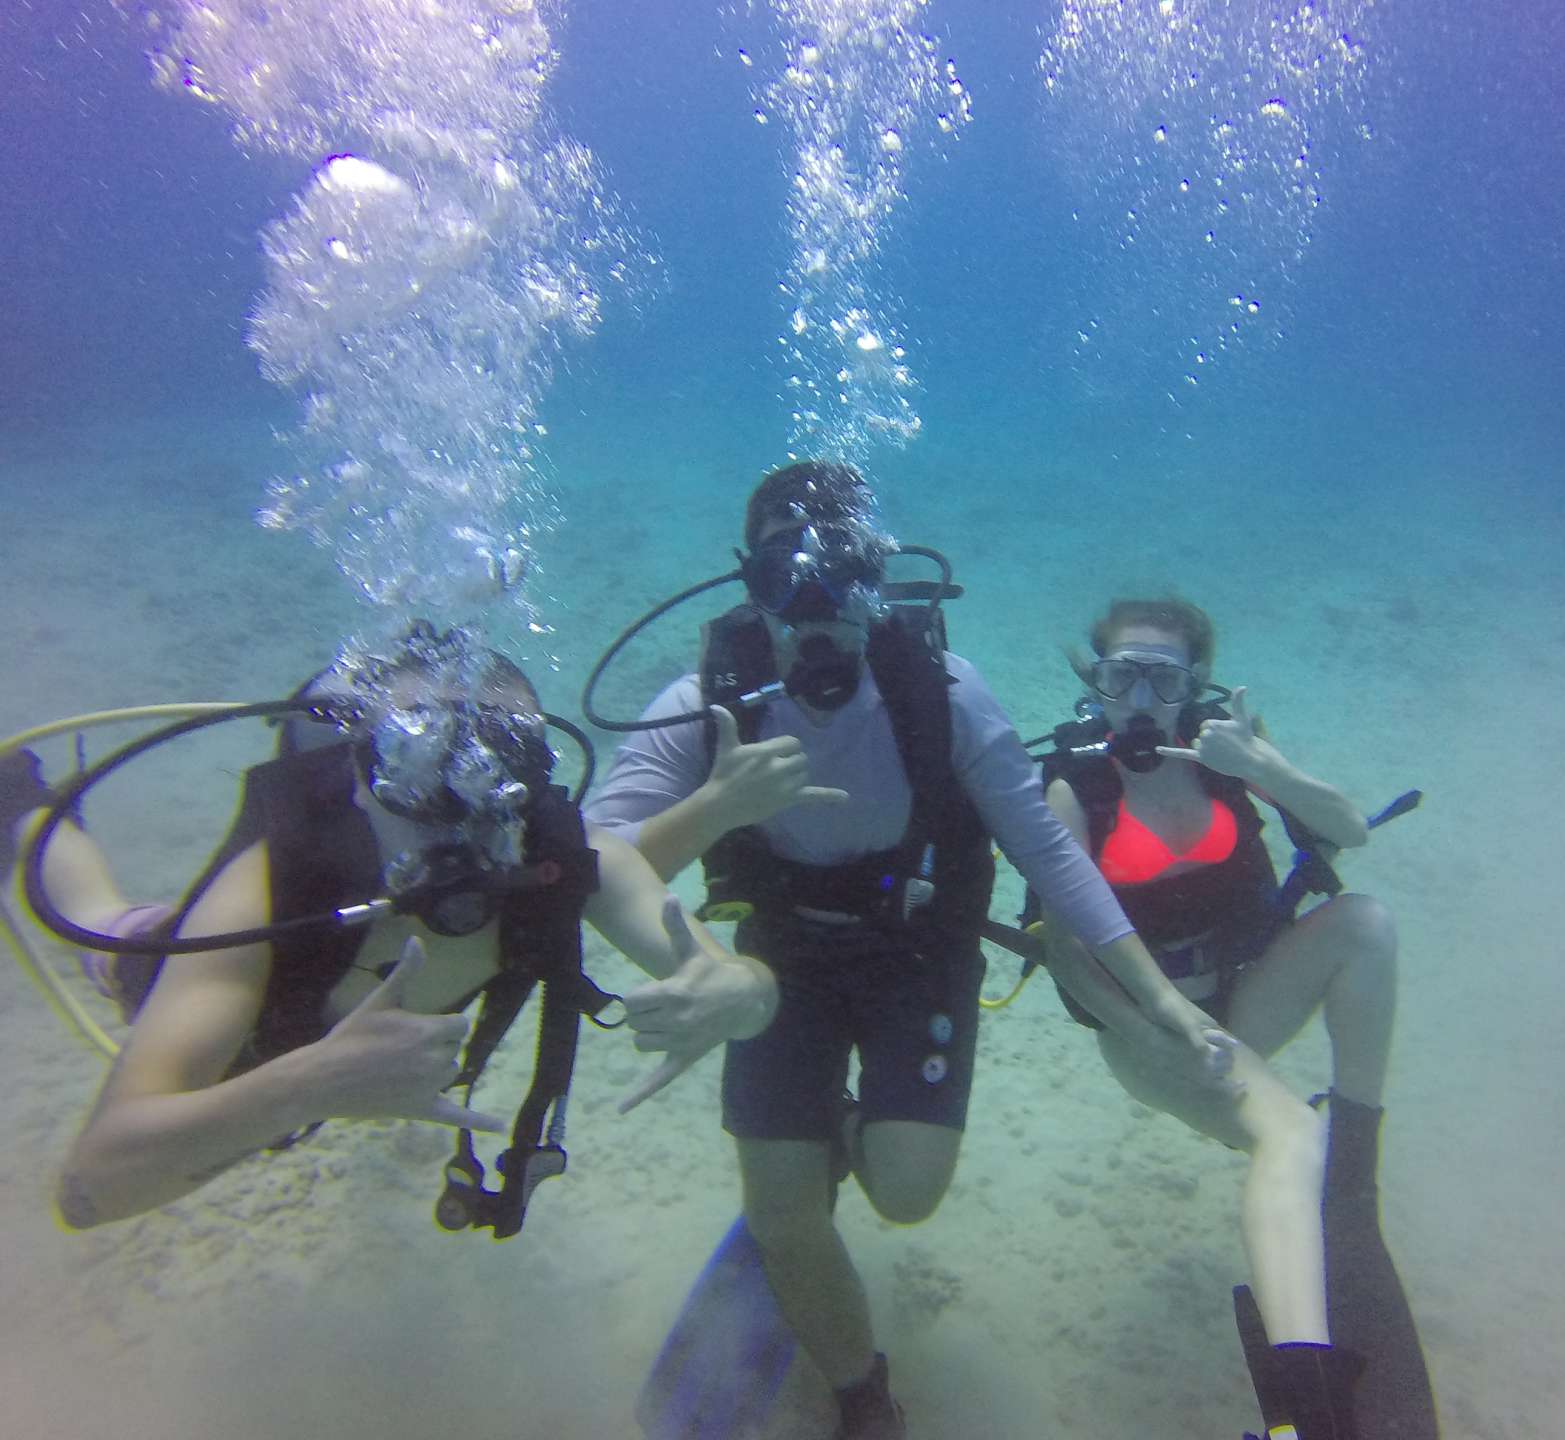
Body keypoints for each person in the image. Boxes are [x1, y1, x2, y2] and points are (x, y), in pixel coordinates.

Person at [585, 462, 1235, 1440]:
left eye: (845, 576)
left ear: (879, 579)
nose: (817, 612)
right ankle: (862, 1398)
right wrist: (715, 806)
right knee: (784, 1217)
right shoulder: (708, 702)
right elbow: (594, 858)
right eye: (785, 578)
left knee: (908, 1193)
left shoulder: (943, 691)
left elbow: (1048, 851)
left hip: (918, 947)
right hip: (780, 959)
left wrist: (1163, 997)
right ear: (750, 584)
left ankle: (829, 1136)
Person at [1, 624, 775, 1234]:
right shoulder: (274, 884)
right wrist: (305, 1087)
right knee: (107, 928)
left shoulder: (563, 856)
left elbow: (747, 987)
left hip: (348, 1061)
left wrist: (739, 995)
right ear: (359, 780)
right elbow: (90, 1189)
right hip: (256, 1049)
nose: (461, 826)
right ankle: (26, 809)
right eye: (418, 779)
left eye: (495, 777)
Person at [1035, 596, 1437, 1440]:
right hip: (1147, 1035)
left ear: (1195, 685)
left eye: (1163, 679)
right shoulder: (1078, 785)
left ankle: (1353, 1175)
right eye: (1120, 677)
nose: (1140, 699)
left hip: (1243, 1000)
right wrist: (1155, 1033)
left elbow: (1349, 831)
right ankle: (1306, 1410)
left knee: (1366, 924)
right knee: (1289, 1133)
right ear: (1095, 683)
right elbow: (1066, 950)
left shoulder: (1225, 751)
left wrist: (1264, 765)